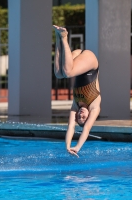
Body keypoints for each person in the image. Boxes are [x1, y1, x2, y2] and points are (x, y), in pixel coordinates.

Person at [53, 25, 101, 157]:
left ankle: (58, 37)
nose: (80, 115)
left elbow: (70, 127)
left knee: (58, 74)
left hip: (78, 61)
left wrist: (68, 146)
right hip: (91, 63)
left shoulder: (75, 105)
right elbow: (86, 129)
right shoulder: (94, 107)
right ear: (88, 117)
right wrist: (77, 147)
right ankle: (64, 37)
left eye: (78, 117)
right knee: (67, 72)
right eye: (83, 117)